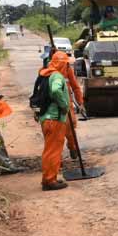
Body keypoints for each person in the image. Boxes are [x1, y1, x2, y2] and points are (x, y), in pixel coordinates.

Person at [38, 52, 72, 191]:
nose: (68, 66)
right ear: (61, 64)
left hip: (46, 118)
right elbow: (56, 90)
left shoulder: (45, 74)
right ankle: (49, 180)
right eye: (66, 64)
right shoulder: (57, 76)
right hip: (55, 119)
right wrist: (64, 105)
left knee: (49, 150)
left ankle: (49, 177)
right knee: (53, 151)